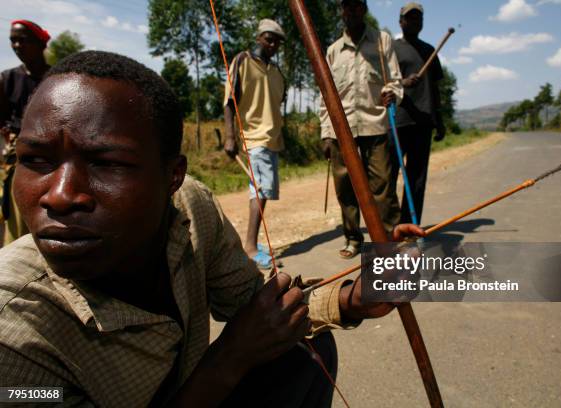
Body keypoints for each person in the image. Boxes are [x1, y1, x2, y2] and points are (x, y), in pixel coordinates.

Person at [0, 50, 425, 407]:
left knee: (301, 349)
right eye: (36, 160)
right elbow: (242, 341)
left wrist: (355, 298)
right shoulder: (11, 336)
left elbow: (256, 307)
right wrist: (230, 357)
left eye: (107, 163)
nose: (58, 195)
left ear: (172, 177)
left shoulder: (191, 207)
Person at [320, 0, 403, 259]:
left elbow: (395, 81)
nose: (352, 10)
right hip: (340, 130)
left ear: (364, 9)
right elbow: (325, 94)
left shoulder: (382, 41)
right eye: (347, 6)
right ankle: (353, 238)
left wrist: (392, 93)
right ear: (341, 11)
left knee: (382, 187)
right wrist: (325, 131)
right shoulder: (333, 50)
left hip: (375, 124)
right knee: (345, 188)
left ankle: (388, 240)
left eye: (357, 5)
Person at [223, 19, 285, 269]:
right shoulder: (242, 61)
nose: (273, 44)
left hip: (272, 139)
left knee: (263, 191)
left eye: (277, 41)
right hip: (254, 137)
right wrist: (230, 136)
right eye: (269, 38)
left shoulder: (278, 73)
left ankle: (252, 244)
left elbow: (277, 106)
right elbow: (229, 101)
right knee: (260, 190)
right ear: (259, 37)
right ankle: (250, 247)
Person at [392, 2, 446, 224]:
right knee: (388, 177)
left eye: (418, 19)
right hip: (397, 120)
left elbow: (435, 89)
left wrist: (439, 120)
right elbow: (382, 82)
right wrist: (403, 82)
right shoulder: (391, 48)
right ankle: (391, 223)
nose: (414, 22)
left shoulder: (429, 50)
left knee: (417, 179)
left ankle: (410, 224)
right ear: (401, 21)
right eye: (410, 18)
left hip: (423, 121)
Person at [0, 20, 50, 245]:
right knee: (18, 220)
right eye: (13, 40)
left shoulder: (55, 79)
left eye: (23, 40)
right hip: (20, 158)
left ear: (40, 43)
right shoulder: (7, 79)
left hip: (53, 157)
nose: (17, 45)